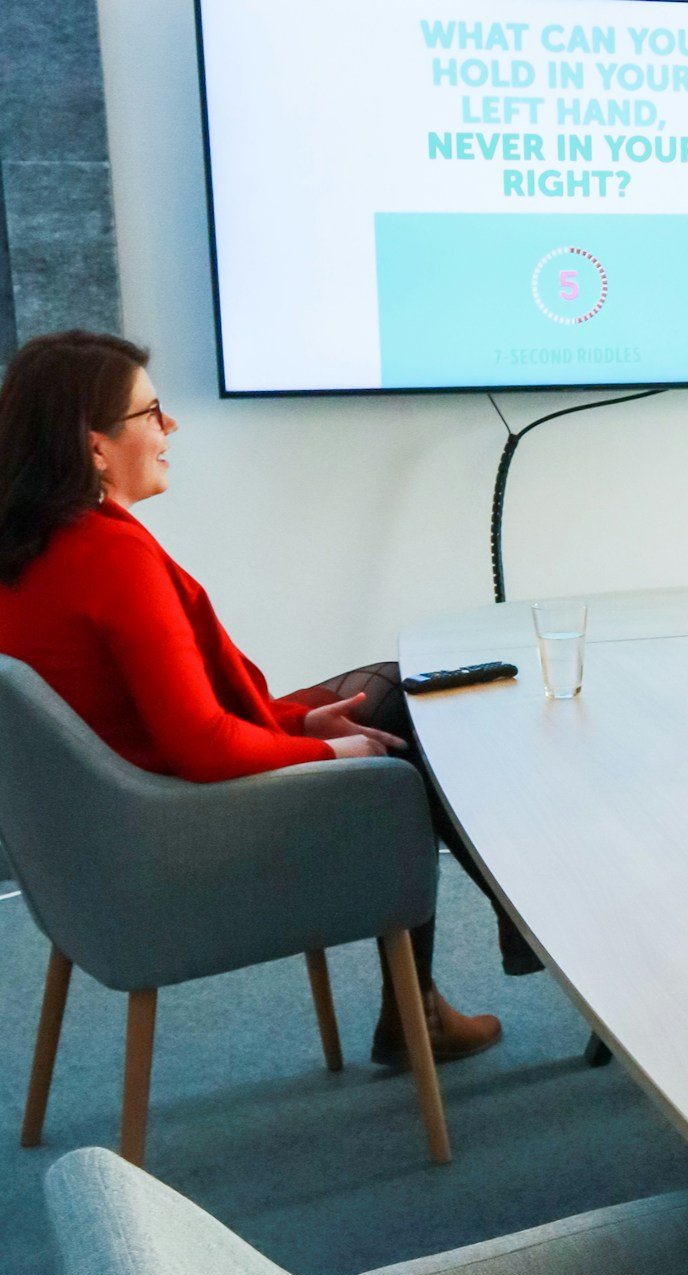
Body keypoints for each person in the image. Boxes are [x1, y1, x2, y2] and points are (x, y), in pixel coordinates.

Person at [0, 330, 530, 1063]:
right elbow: (200, 744)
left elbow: (138, 708)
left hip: (99, 847)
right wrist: (325, 748)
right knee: (398, 744)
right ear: (95, 446)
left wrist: (302, 720)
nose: (170, 427)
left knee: (386, 695)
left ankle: (450, 984)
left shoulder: (28, 549)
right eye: (152, 412)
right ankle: (507, 932)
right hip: (180, 837)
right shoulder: (109, 556)